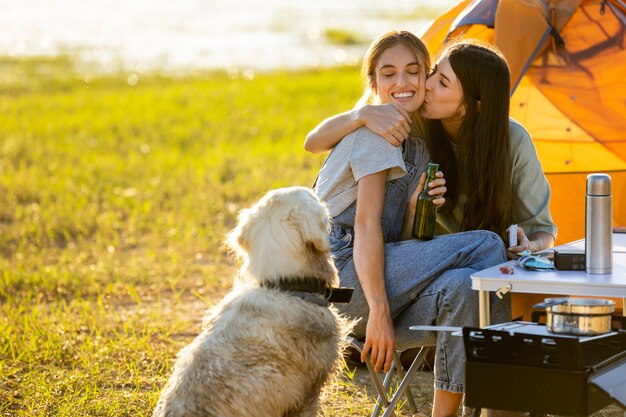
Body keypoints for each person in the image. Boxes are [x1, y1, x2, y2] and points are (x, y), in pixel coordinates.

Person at [312, 31, 510, 417]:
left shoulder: (416, 145)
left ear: (425, 76)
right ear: (373, 84)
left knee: (463, 288)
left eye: (414, 72)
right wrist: (380, 314)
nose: (402, 83)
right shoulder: (375, 134)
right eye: (388, 74)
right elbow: (366, 226)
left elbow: (394, 243)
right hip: (340, 282)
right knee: (487, 245)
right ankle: (501, 404)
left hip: (374, 278)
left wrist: (412, 210)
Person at [306, 39, 557, 259]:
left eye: (443, 83)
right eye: (434, 71)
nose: (427, 84)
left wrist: (529, 246)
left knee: (488, 245)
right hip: (424, 252)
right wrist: (361, 113)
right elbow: (313, 143)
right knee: (486, 245)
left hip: (484, 257)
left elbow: (543, 231)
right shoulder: (410, 120)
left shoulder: (513, 141)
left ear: (469, 107)